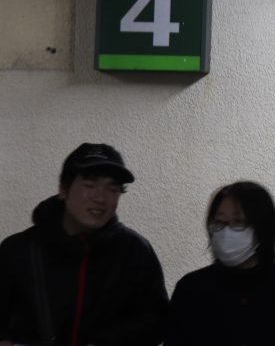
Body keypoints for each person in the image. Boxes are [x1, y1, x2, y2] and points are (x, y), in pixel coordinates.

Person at [0, 142, 169, 346]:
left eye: (112, 188)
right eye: (90, 185)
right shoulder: (18, 250)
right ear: (63, 189)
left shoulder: (136, 252)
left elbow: (156, 323)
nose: (101, 198)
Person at [165, 181, 275, 346]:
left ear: (262, 228)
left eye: (238, 222)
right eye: (218, 222)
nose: (226, 231)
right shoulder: (191, 289)